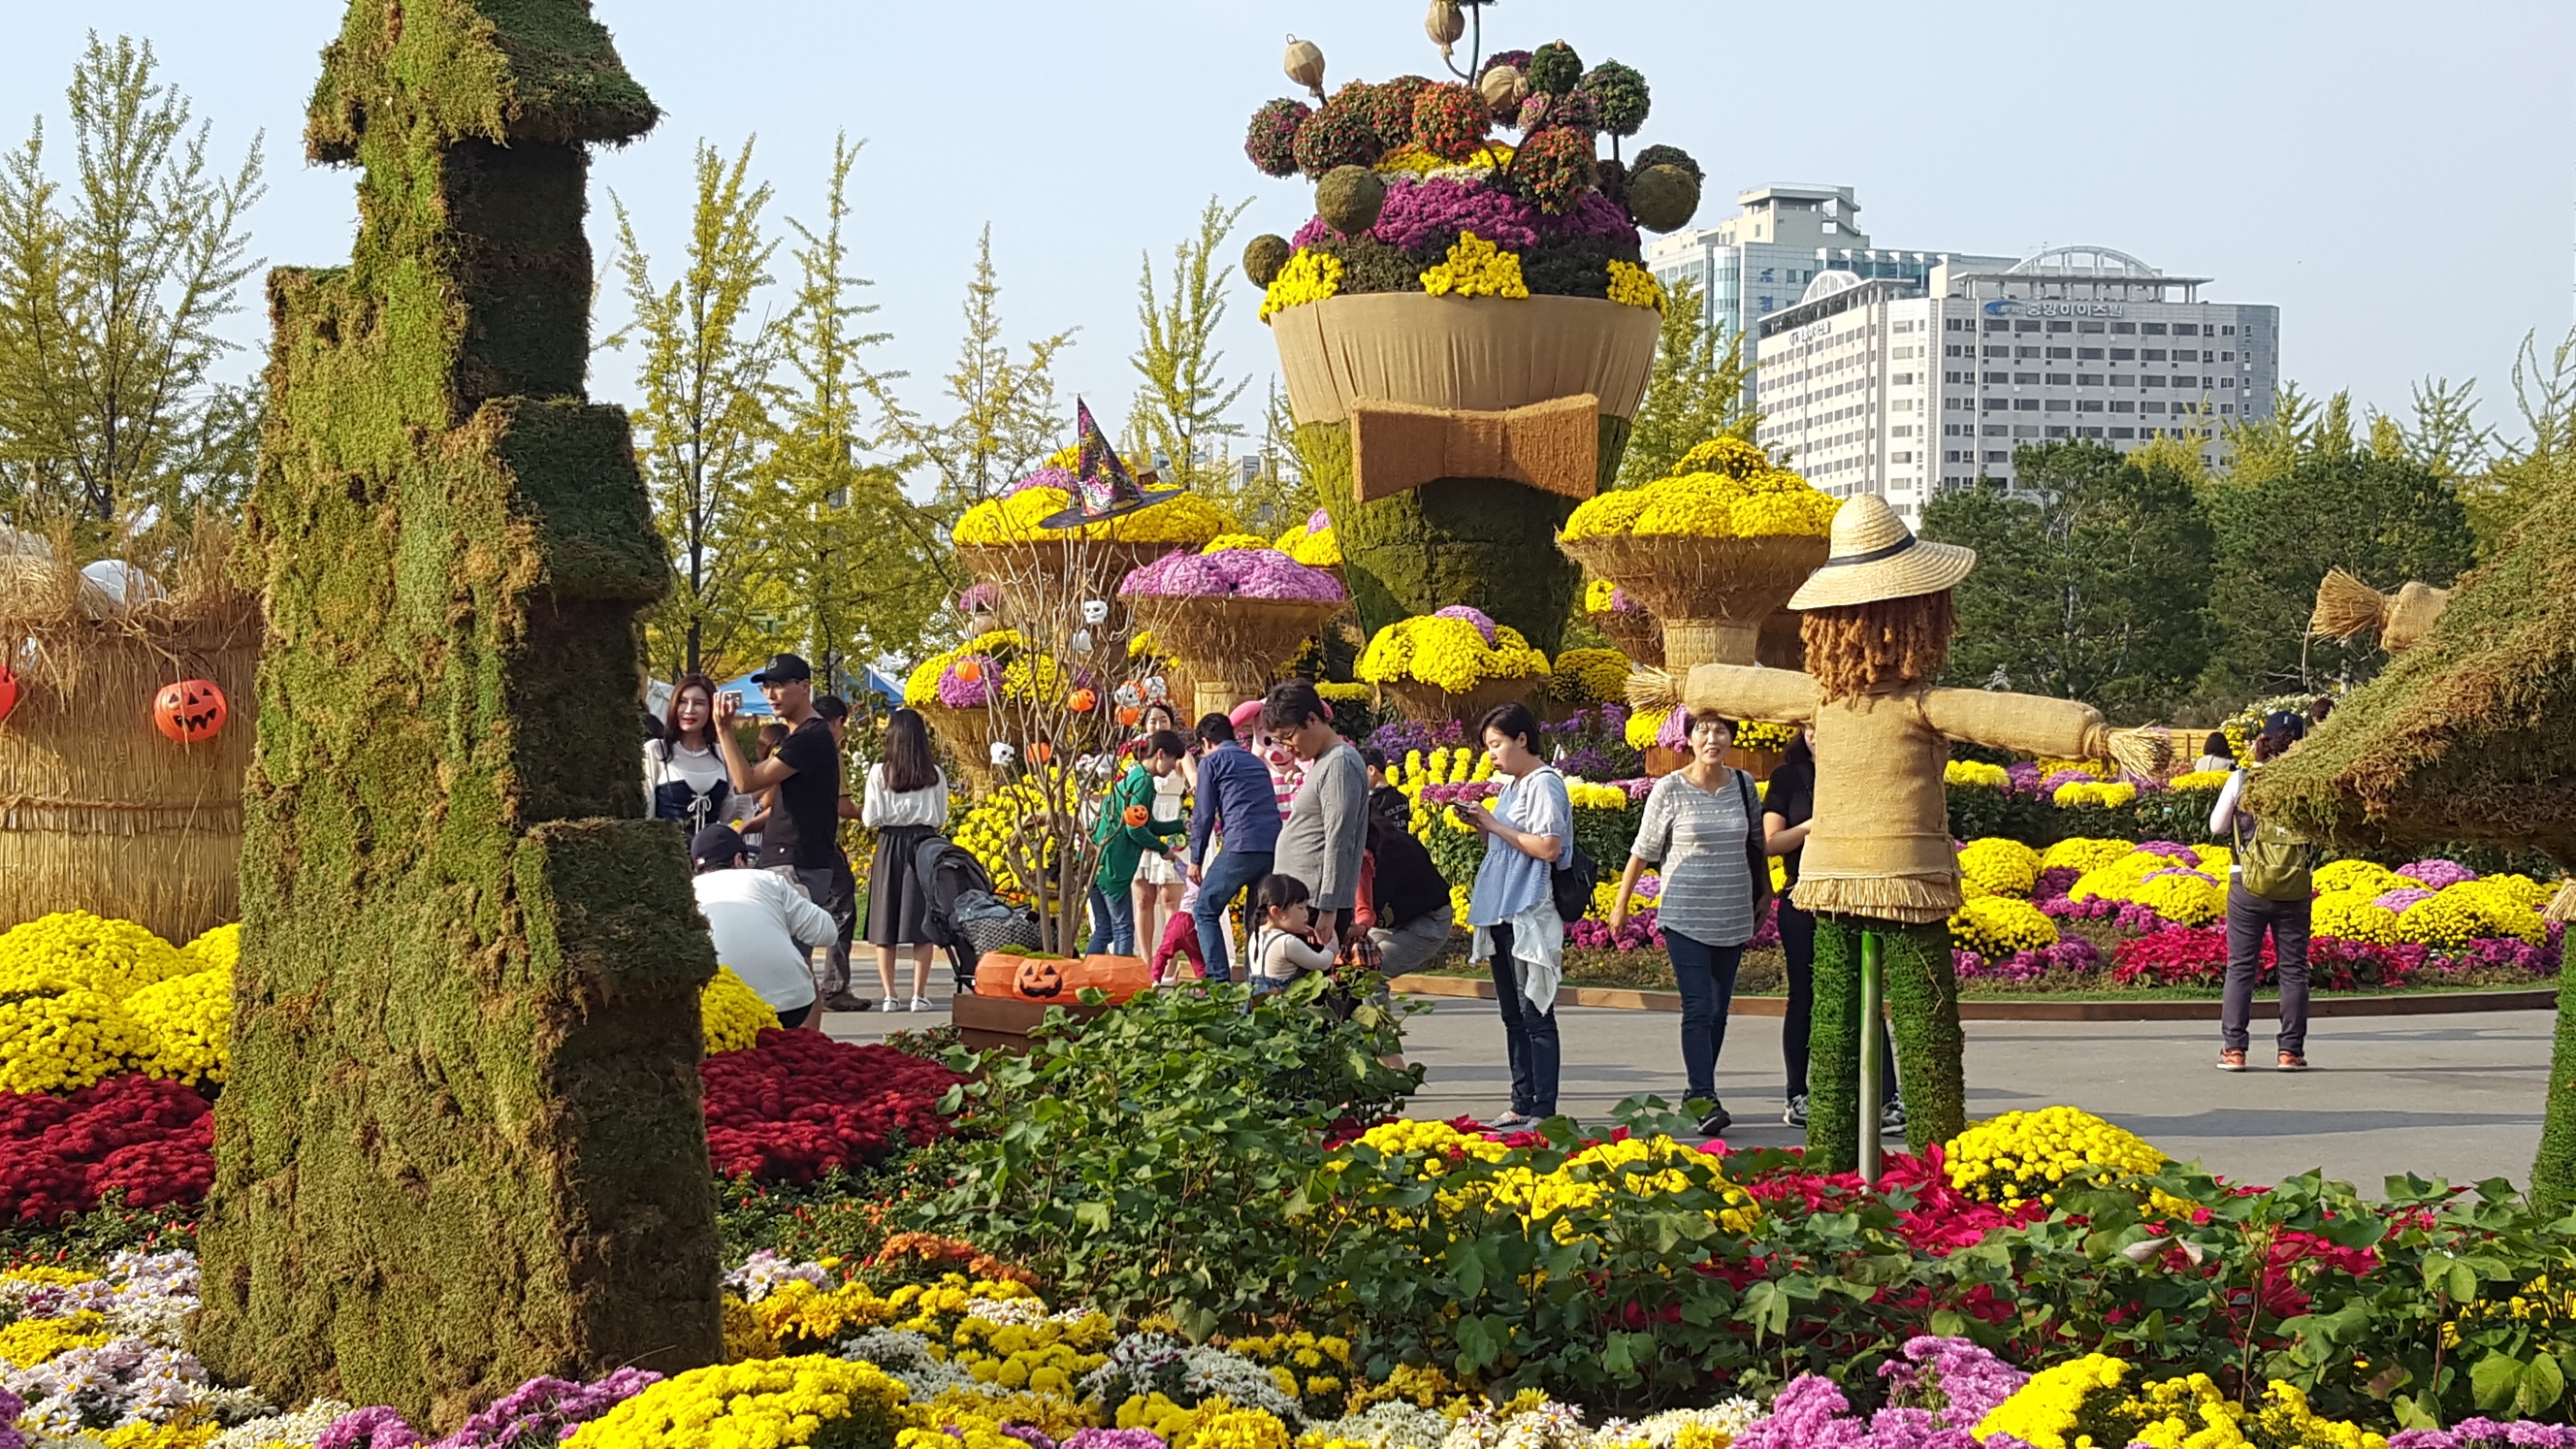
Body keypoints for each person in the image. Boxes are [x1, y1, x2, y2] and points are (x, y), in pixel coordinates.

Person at [1610, 710, 1769, 1139]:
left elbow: (1756, 844)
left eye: (1720, 730)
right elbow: (1642, 851)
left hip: (1731, 913)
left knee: (1718, 1011)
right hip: (1685, 915)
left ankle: (1696, 1092)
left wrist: (1764, 893)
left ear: (1731, 738)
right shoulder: (1670, 788)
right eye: (1703, 730)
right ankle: (1704, 1097)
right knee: (1698, 1008)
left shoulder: (1743, 785)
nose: (1712, 738)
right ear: (1690, 739)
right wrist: (1621, 905)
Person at [1761, 729, 1897, 1130]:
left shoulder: (1863, 772)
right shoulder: (1788, 777)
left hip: (1854, 898)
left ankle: (1886, 1099)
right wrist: (1814, 825)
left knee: (1865, 994)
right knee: (1804, 996)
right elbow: (1771, 842)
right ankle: (1798, 1094)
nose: (1819, 735)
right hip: (1802, 897)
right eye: (1811, 727)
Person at [715, 654, 864, 1014]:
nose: (770, 694)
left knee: (790, 963)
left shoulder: (809, 738)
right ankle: (803, 1040)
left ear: (805, 686)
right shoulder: (801, 737)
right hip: (795, 859)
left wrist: (724, 730)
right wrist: (750, 825)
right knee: (795, 962)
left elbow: (746, 782)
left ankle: (801, 1040)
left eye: (780, 685)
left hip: (795, 863)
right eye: (766, 686)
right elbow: (780, 801)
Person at [1456, 701, 1571, 1130]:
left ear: (1522, 739)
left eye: (1496, 743)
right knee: (1512, 1015)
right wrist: (1481, 825)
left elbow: (1548, 847)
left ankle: (1543, 1107)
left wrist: (1494, 824)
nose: (1491, 754)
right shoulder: (1512, 786)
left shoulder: (1544, 783)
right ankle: (1521, 1101)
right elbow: (1507, 844)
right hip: (1501, 908)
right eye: (1487, 746)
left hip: (1529, 908)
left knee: (1535, 1011)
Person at [2210, 715, 2315, 1072]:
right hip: (2294, 884)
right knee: (2294, 970)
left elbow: (2217, 826)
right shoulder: (2308, 782)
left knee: (2241, 967)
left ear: (2263, 740)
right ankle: (2290, 1052)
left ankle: (2234, 1050)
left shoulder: (2242, 779)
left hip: (2247, 882)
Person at [689, 824, 830, 1030]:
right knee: (804, 994)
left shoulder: (688, 893)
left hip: (717, 1008)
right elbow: (826, 933)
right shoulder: (768, 880)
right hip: (788, 1004)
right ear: (738, 860)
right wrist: (799, 901)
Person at [1266, 680, 1369, 948]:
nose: (1286, 747)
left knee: (1303, 975)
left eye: (1288, 736)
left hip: (1312, 905)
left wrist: (1328, 908)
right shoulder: (1324, 761)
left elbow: (1339, 839)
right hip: (1299, 901)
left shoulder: (1340, 764)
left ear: (1312, 719)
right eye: (1279, 741)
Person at [861, 707, 950, 1014]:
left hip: (889, 844)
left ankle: (889, 995)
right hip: (924, 844)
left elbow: (870, 817)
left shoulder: (879, 773)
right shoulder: (935, 774)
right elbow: (940, 817)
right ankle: (918, 995)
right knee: (921, 921)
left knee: (885, 919)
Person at [1187, 712, 1281, 982]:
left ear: (1205, 743)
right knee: (1256, 920)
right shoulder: (1256, 763)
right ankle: (1258, 983)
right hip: (1272, 847)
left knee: (1205, 910)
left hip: (1240, 845)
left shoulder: (1211, 762)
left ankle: (1220, 984)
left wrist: (1195, 859)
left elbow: (1204, 815)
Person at [1090, 730, 1192, 955]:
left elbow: (1146, 823)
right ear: (1161, 754)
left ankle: (1086, 975)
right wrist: (1163, 849)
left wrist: (1179, 825)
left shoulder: (1133, 776)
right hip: (1114, 866)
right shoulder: (1144, 782)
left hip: (1097, 861)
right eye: (1173, 760)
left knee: (1104, 930)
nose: (1173, 767)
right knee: (1123, 928)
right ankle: (1121, 976)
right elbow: (1135, 828)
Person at [1131, 700, 1190, 961]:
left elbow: (1194, 779)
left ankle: (1169, 963)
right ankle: (1145, 961)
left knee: (1169, 900)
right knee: (1143, 899)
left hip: (1170, 819)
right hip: (1143, 821)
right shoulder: (1136, 757)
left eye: (1163, 720)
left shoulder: (1179, 754)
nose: (1157, 725)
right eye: (1152, 721)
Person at [1363, 808, 1454, 975]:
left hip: (1427, 922)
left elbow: (1367, 908)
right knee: (1347, 969)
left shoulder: (1386, 852)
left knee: (1367, 973)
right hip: (1393, 916)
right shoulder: (1370, 833)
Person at [646, 675, 738, 835]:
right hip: (667, 847)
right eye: (682, 702)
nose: (689, 710)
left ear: (711, 708)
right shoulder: (657, 750)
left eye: (699, 703)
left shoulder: (723, 754)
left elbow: (730, 813)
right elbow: (646, 811)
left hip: (711, 849)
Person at [1246, 872, 1336, 991]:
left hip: (1258, 998)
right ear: (1276, 912)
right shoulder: (1287, 943)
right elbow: (1322, 963)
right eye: (1300, 908)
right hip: (1284, 1001)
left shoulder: (1257, 934)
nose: (1306, 914)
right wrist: (1332, 946)